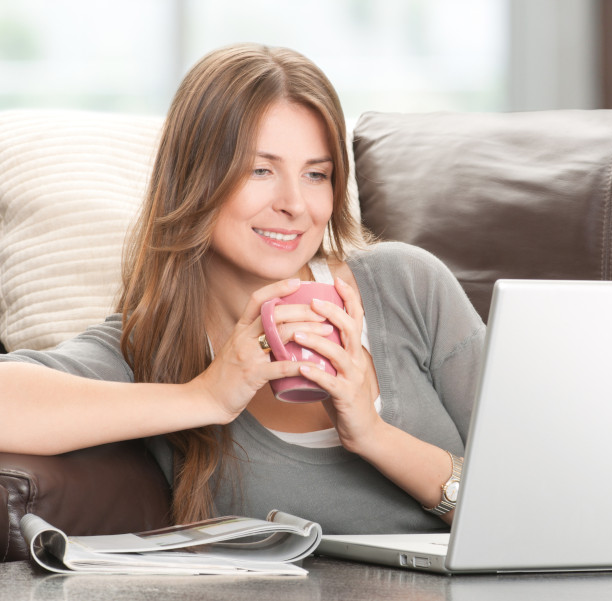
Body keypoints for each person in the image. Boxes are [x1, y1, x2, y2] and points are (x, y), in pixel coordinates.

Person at [0, 44, 485, 534]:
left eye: (316, 174)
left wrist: (375, 435)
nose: (294, 204)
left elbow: (538, 485)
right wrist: (206, 396)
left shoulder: (406, 286)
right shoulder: (151, 350)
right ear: (195, 178)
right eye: (260, 170)